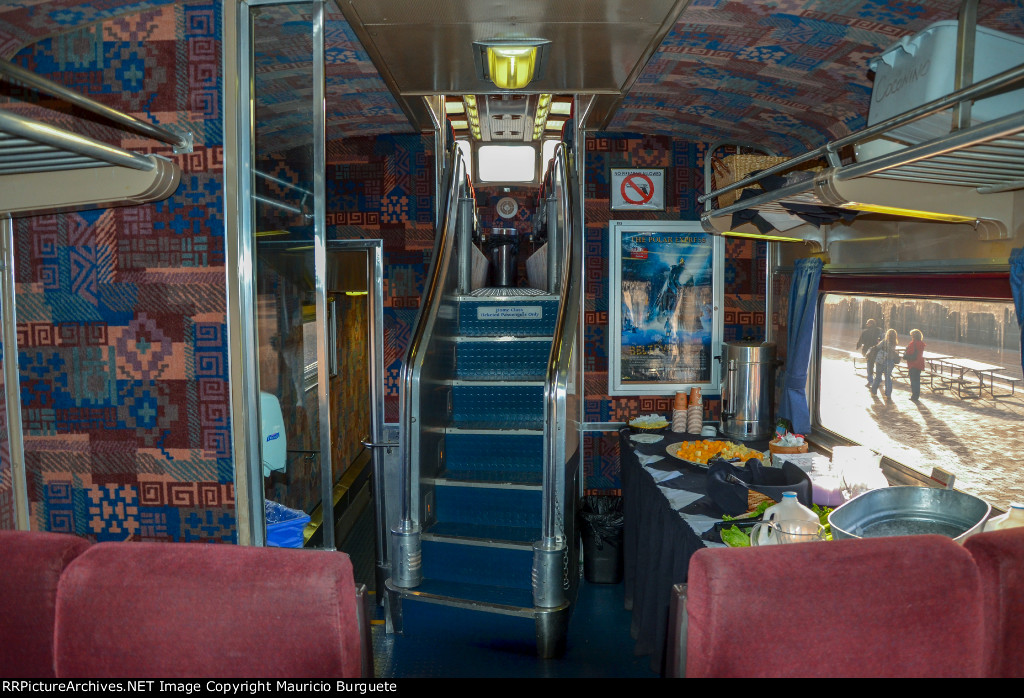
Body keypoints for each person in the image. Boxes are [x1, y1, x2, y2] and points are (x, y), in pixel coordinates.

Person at [870, 329, 900, 402]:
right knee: (888, 378)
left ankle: (873, 391)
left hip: (881, 360)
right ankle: (888, 394)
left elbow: (877, 347)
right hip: (890, 361)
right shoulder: (894, 343)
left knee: (878, 376)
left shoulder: (884, 341)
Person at [856, 318, 882, 386]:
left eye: (868, 323)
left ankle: (870, 381)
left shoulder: (865, 332)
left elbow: (861, 341)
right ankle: (879, 379)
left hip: (868, 352)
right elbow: (882, 340)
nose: (867, 325)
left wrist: (858, 346)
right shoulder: (879, 331)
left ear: (870, 324)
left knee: (869, 366)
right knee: (878, 365)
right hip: (877, 351)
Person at [904, 329, 927, 402]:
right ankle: (916, 395)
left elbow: (909, 353)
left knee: (913, 381)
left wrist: (906, 350)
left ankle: (914, 395)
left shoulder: (913, 343)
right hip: (919, 363)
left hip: (913, 364)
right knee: (917, 380)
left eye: (911, 335)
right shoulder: (921, 343)